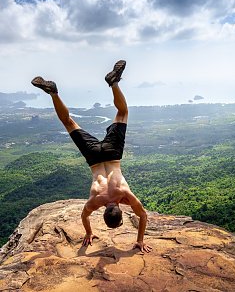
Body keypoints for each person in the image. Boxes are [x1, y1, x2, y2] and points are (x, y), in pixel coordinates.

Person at [31, 60, 152, 253]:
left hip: (112, 155)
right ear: (104, 211)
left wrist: (140, 240)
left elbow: (143, 215)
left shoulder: (123, 195)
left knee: (122, 113)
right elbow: (85, 217)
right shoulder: (96, 201)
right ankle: (54, 92)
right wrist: (88, 232)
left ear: (119, 212)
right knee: (68, 123)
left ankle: (113, 83)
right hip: (94, 158)